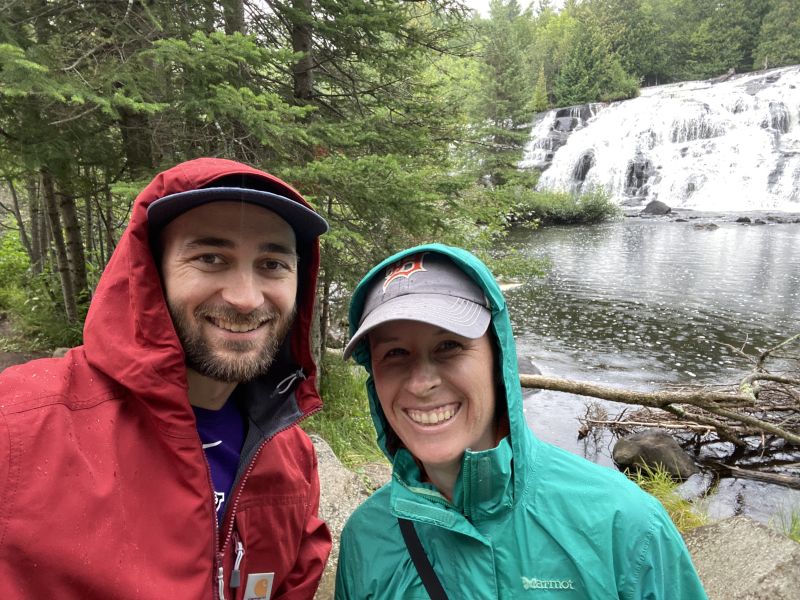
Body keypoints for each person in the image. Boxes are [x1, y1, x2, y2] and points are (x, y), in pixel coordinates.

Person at [0, 158, 332, 599]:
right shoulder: (18, 426)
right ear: (150, 273)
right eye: (210, 258)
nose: (246, 298)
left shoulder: (292, 460)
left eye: (272, 264)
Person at [335, 244, 707, 599]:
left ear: (498, 359)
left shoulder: (625, 524)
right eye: (395, 353)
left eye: (448, 346)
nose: (421, 382)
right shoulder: (366, 538)